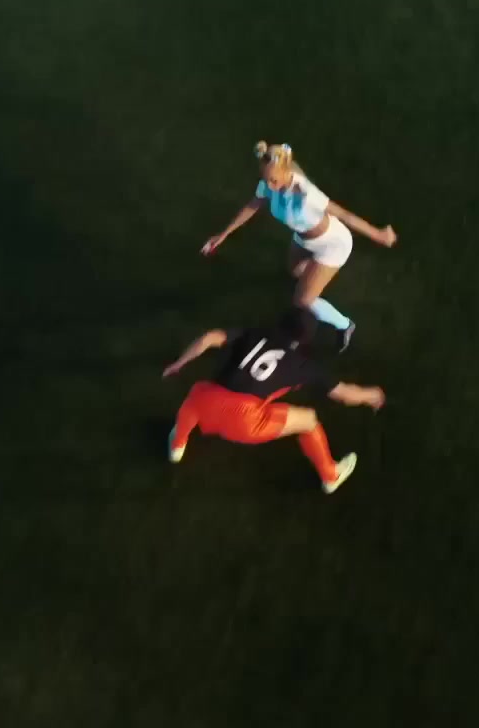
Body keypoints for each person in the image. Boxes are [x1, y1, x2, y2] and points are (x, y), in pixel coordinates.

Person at [199, 141, 398, 351]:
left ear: (287, 172)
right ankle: (315, 279)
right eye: (266, 180)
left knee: (302, 300)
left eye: (274, 180)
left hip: (331, 245)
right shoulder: (269, 183)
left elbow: (344, 215)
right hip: (302, 238)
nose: (269, 186)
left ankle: (345, 325)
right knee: (295, 271)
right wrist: (223, 234)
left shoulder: (307, 194)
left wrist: (379, 235)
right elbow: (254, 204)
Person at [162, 309, 385, 492]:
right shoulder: (303, 365)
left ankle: (177, 445)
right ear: (306, 339)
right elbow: (344, 394)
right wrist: (372, 395)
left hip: (205, 405)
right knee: (309, 420)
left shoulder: (254, 333)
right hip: (245, 422)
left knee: (197, 396)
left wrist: (179, 363)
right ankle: (330, 475)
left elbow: (209, 338)